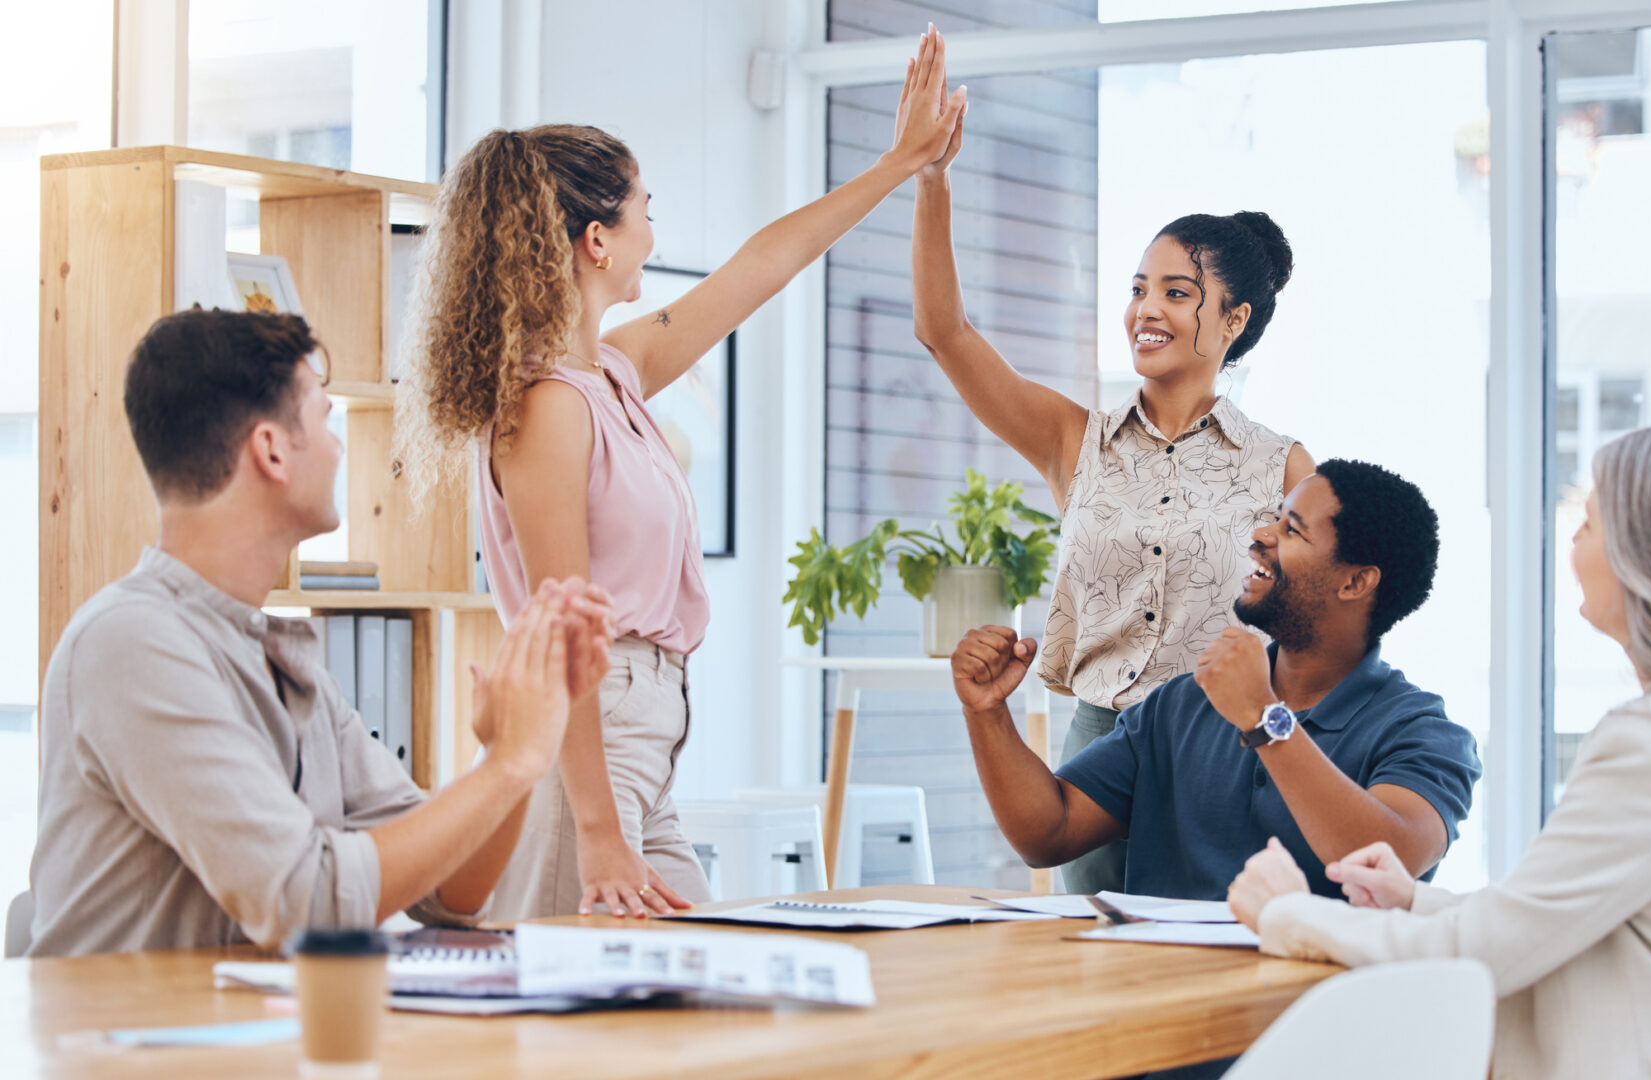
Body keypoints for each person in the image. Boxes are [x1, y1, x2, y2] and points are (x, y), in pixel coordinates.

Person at [396, 29, 967, 920]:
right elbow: (562, 635)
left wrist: (900, 164)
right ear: (597, 241)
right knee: (584, 1033)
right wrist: (595, 828)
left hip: (646, 745)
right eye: (643, 208)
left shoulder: (612, 372)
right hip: (590, 748)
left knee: (706, 987)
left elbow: (760, 266)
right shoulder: (547, 407)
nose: (652, 229)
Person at [1230, 428, 1651, 1079]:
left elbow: (1477, 957)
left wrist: (1286, 913)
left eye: (1589, 520)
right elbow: (1575, 917)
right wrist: (1412, 900)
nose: (1572, 538)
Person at [26, 310, 615, 957]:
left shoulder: (277, 657)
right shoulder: (131, 643)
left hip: (259, 1048)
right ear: (271, 450)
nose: (339, 448)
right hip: (132, 1054)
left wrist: (517, 739)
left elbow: (452, 889)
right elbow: (305, 903)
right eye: (325, 419)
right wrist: (510, 763)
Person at [912, 98, 1316, 895]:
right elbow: (944, 332)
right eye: (1139, 289)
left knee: (1207, 968)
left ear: (1232, 319)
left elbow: (1320, 624)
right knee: (1093, 958)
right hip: (1098, 743)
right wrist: (932, 180)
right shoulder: (1075, 441)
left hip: (1221, 746)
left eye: (1175, 293)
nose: (1144, 311)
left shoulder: (1283, 466)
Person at [950, 460, 1480, 901]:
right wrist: (987, 712)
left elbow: (1390, 859)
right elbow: (1050, 831)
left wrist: (1262, 719)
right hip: (1164, 1002)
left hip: (1313, 1017)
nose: (1261, 536)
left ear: (1357, 581)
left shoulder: (1423, 733)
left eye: (1291, 529)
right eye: (1275, 518)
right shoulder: (1182, 704)